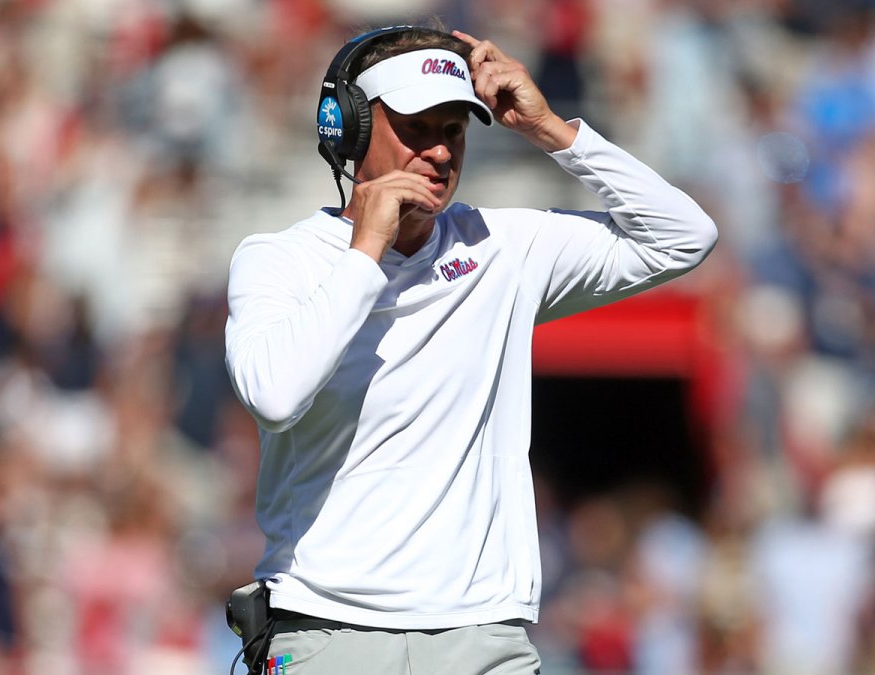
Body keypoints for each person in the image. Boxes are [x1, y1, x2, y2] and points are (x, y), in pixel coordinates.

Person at [223, 24, 718, 675]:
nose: (438, 152)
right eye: (415, 128)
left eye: (453, 130)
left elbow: (683, 236)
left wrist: (550, 129)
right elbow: (274, 395)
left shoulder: (498, 245)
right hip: (329, 626)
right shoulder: (278, 258)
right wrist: (366, 251)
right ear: (350, 129)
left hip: (480, 632)